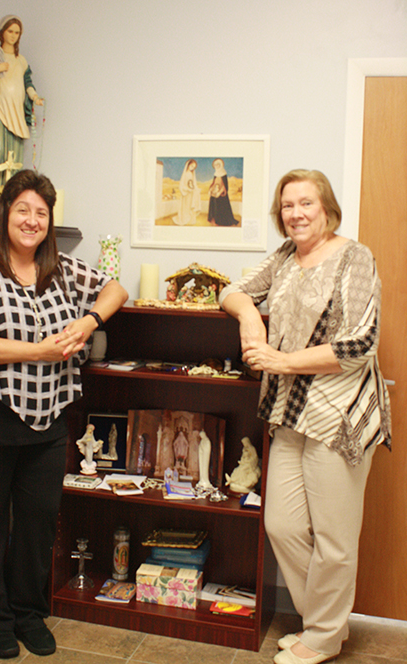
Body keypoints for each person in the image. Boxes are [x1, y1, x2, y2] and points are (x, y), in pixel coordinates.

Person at [0, 169, 128, 659]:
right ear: (5, 215)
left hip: (45, 418)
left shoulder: (61, 269)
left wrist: (88, 320)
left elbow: (116, 289)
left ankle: (29, 613)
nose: (32, 220)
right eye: (23, 209)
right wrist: (37, 351)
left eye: (42, 212)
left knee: (39, 522)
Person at [219, 169, 391, 664]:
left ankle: (321, 635)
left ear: (327, 208)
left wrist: (281, 361)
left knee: (335, 538)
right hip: (289, 412)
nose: (296, 213)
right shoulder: (284, 259)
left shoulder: (353, 257)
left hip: (339, 417)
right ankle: (324, 628)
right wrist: (251, 313)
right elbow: (231, 290)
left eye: (306, 203)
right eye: (288, 205)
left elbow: (360, 343)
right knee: (282, 525)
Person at [0, 15, 44, 212]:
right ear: (2, 31)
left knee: (15, 161)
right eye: (10, 31)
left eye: (17, 32)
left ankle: (10, 205)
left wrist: (35, 97)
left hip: (16, 112)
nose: (13, 35)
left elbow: (27, 82)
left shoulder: (21, 60)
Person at [208, 158, 237, 226]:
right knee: (214, 205)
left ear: (221, 165)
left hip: (221, 194)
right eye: (215, 165)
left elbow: (224, 185)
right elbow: (214, 183)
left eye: (218, 165)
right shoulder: (215, 174)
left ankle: (221, 221)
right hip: (215, 192)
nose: (216, 166)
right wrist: (210, 190)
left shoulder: (223, 173)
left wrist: (219, 192)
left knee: (221, 207)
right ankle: (214, 219)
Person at [173, 159, 201, 226]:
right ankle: (184, 219)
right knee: (185, 207)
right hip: (186, 194)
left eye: (194, 167)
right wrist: (187, 189)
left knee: (190, 206)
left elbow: (193, 183)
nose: (192, 168)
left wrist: (196, 189)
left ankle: (190, 220)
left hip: (191, 194)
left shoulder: (192, 174)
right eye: (191, 166)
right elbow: (181, 185)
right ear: (188, 165)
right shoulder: (185, 174)